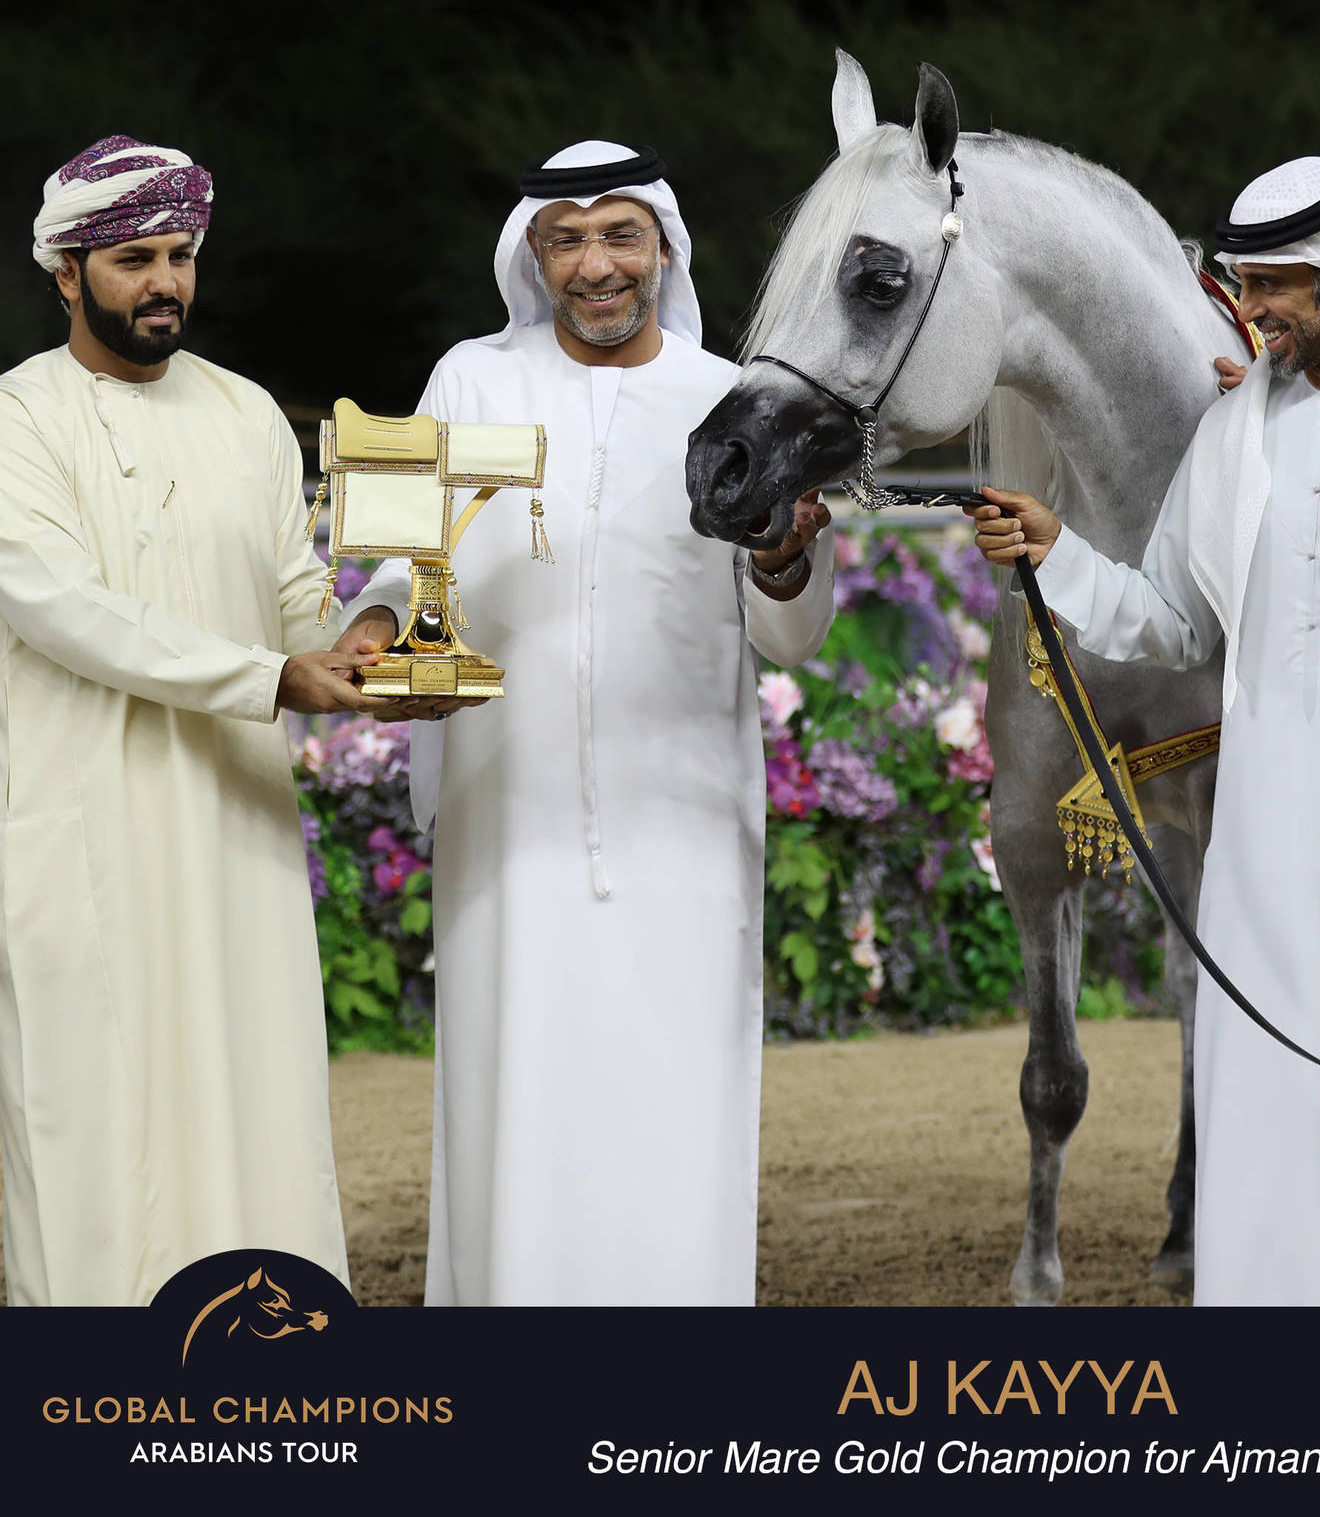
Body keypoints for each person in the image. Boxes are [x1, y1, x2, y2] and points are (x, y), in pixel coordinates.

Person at [971, 155, 1320, 1305]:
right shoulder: (1234, 436)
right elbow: (1176, 619)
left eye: (1278, 285)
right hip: (1264, 880)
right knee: (1270, 1170)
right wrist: (1057, 551)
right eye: (1246, 285)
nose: (1254, 310)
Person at [336, 141, 835, 1305]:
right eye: (568, 239)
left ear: (665, 247)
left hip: (684, 825)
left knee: (675, 1109)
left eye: (622, 236)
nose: (597, 265)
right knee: (517, 1102)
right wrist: (368, 623)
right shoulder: (469, 379)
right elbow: (396, 567)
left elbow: (791, 635)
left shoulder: (733, 399)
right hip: (507, 825)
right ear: (532, 255)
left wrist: (782, 552)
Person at [0, 136, 386, 1305]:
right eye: (132, 259)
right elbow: (65, 610)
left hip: (234, 819)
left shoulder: (249, 412)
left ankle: (271, 1378)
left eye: (180, 255)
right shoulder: (18, 417)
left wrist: (369, 627)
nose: (164, 281)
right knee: (88, 1121)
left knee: (254, 1095)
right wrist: (274, 679)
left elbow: (293, 595)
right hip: (81, 823)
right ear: (67, 272)